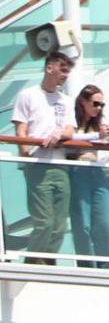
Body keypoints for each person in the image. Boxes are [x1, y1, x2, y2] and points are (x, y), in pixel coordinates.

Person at [11, 51, 76, 264]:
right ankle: (32, 264)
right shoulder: (28, 95)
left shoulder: (65, 100)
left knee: (60, 225)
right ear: (50, 68)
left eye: (68, 71)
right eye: (63, 70)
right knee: (44, 222)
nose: (65, 75)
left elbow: (69, 129)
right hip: (38, 165)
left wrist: (59, 134)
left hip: (60, 165)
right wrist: (26, 156)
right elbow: (21, 130)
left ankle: (48, 263)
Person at [65, 84, 109, 267]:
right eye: (96, 104)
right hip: (77, 172)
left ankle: (104, 269)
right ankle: (87, 269)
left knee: (106, 225)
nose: (99, 108)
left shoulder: (97, 125)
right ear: (83, 102)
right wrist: (98, 135)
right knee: (83, 225)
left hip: (96, 172)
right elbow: (68, 138)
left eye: (102, 105)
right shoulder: (71, 121)